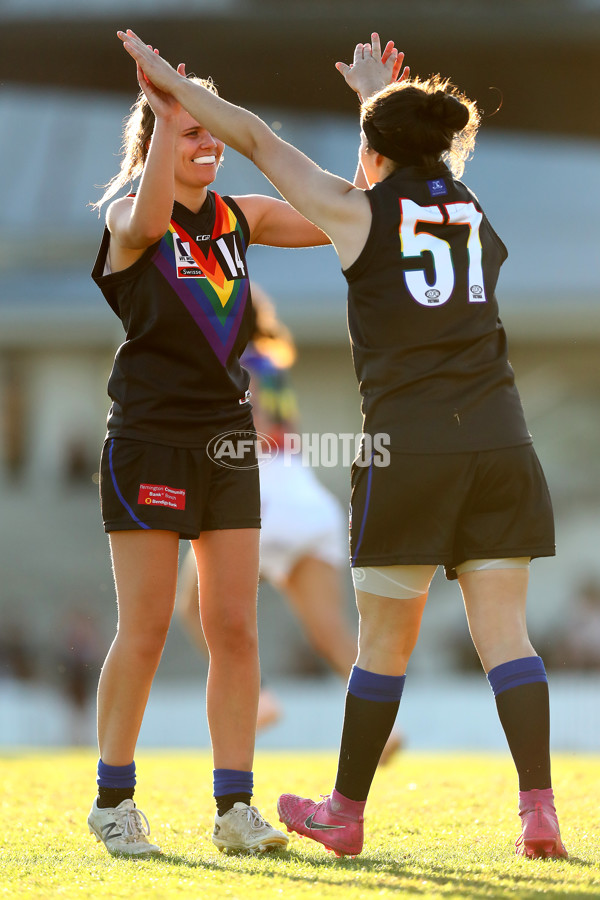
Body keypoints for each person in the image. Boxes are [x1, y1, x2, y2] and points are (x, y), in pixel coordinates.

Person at [118, 29, 568, 861]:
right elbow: (414, 168)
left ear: (370, 150)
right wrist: (377, 106)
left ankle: (346, 811)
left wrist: (168, 92)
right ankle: (539, 811)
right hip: (503, 442)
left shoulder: (358, 212)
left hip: (412, 451)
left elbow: (254, 137)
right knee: (509, 638)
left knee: (382, 648)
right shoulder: (469, 207)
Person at [87, 40, 401, 856]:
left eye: (210, 132)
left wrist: (382, 114)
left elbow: (349, 209)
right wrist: (163, 115)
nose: (208, 144)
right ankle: (113, 800)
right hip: (148, 442)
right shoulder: (129, 214)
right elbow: (150, 222)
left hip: (228, 445)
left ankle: (235, 808)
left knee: (236, 629)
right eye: (190, 132)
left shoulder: (242, 217)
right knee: (147, 630)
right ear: (155, 138)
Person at [176, 284, 402, 760]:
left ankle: (255, 700)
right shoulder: (270, 360)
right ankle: (384, 728)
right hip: (306, 496)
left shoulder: (229, 361)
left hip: (258, 492)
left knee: (196, 607)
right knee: (330, 631)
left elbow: (246, 433)